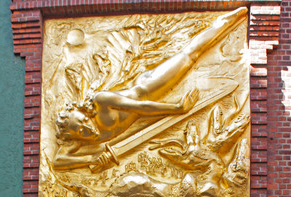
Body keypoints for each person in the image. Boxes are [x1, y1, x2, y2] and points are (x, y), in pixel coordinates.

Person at [54, 7, 248, 170]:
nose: (87, 127)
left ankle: (228, 20)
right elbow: (57, 161)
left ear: (84, 111)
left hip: (149, 87)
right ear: (74, 135)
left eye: (84, 120)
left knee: (190, 55)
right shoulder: (80, 137)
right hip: (144, 113)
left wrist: (178, 108)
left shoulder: (101, 101)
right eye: (80, 130)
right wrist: (91, 159)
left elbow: (141, 107)